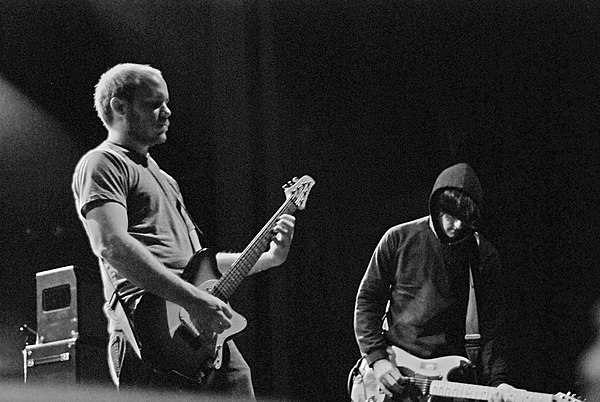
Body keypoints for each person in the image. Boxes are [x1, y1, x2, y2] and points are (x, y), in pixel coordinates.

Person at [72, 63, 295, 399]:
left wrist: (267, 258)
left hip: (198, 329)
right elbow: (112, 245)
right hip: (154, 334)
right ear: (119, 107)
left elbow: (197, 265)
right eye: (154, 104)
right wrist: (192, 300)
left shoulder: (166, 179)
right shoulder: (103, 163)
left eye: (167, 103)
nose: (167, 112)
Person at [353, 163, 518, 402]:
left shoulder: (483, 254)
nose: (458, 225)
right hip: (397, 372)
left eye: (466, 218)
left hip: (451, 379)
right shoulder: (398, 239)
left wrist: (500, 382)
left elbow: (492, 328)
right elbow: (367, 302)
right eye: (451, 216)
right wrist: (377, 359)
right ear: (436, 207)